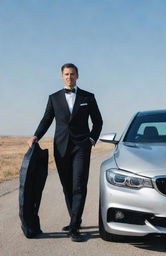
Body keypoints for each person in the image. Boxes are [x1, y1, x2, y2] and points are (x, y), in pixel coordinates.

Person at [27, 63, 103, 242]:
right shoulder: (53, 98)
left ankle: (75, 227)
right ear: (62, 76)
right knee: (67, 186)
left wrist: (91, 140)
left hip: (81, 148)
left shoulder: (88, 97)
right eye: (66, 74)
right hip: (61, 148)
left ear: (77, 76)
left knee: (79, 185)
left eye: (72, 74)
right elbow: (46, 119)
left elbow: (98, 122)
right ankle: (74, 218)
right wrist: (36, 136)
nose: (69, 77)